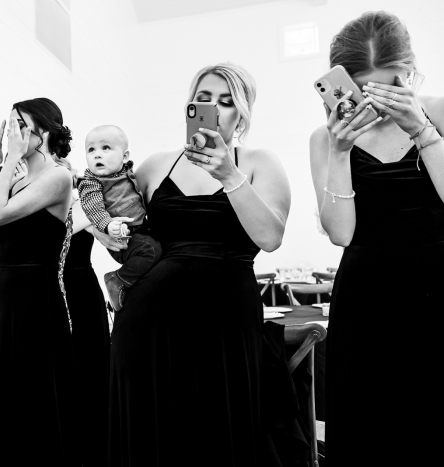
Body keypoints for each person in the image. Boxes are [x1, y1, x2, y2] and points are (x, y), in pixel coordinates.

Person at [107, 63, 291, 466]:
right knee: (154, 431)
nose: (212, 108)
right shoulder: (156, 166)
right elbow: (130, 246)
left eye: (225, 102)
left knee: (220, 427)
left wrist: (229, 174)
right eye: (202, 99)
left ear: (241, 114)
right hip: (149, 323)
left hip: (225, 320)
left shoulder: (260, 162)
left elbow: (270, 237)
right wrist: (108, 229)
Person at [309, 11, 444, 465]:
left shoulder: (440, 111)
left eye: (392, 84)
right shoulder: (324, 138)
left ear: (408, 71)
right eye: (367, 89)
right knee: (370, 434)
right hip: (367, 300)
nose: (381, 101)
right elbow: (341, 231)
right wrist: (339, 151)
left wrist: (423, 131)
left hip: (436, 291)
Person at [0, 98, 76, 465]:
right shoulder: (22, 177)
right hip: (7, 294)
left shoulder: (58, 176)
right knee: (12, 389)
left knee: (36, 388)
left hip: (36, 295)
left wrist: (5, 170)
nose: (12, 134)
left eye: (20, 125)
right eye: (10, 126)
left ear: (44, 131)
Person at [60, 158, 111, 467]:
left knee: (90, 362)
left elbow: (112, 241)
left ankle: (96, 443)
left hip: (81, 286)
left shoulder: (84, 205)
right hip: (52, 286)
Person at [78, 125, 162, 311]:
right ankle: (117, 279)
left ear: (124, 157)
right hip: (122, 235)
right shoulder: (91, 182)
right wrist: (107, 226)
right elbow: (94, 208)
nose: (97, 155)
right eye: (91, 149)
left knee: (161, 249)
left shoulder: (127, 173)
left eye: (105, 148)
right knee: (150, 251)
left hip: (141, 228)